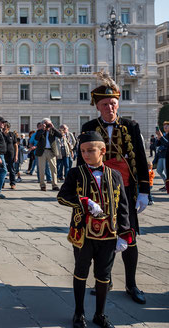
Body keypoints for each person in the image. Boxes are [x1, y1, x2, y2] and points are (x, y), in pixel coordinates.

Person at [79, 74, 149, 304]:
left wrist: (144, 192)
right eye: (105, 104)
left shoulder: (131, 125)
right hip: (99, 191)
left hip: (127, 190)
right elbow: (81, 162)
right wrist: (83, 193)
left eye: (113, 103)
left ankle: (132, 284)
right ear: (97, 106)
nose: (110, 107)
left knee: (130, 238)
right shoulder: (88, 127)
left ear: (118, 104)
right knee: (101, 238)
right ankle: (104, 280)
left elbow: (139, 158)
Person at [57, 131, 133, 328]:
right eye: (82, 151)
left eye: (90, 150)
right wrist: (84, 201)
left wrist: (124, 234)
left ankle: (100, 314)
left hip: (109, 234)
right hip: (83, 234)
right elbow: (62, 196)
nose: (86, 154)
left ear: (103, 151)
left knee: (103, 276)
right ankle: (78, 313)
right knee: (80, 273)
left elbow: (123, 207)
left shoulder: (114, 175)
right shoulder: (75, 173)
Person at [34, 118, 62, 191]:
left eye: (48, 123)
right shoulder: (40, 131)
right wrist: (43, 129)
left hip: (51, 151)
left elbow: (60, 135)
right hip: (42, 152)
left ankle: (55, 185)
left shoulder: (52, 130)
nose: (47, 125)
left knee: (54, 168)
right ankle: (42, 185)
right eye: (46, 123)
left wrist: (53, 127)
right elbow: (36, 138)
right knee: (41, 169)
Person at [3, 123, 18, 189]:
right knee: (3, 169)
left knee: (11, 169)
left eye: (5, 127)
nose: (4, 128)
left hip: (11, 154)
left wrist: (16, 155)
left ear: (8, 128)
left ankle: (12, 183)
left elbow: (16, 145)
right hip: (2, 154)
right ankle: (2, 183)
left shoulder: (12, 134)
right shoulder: (1, 134)